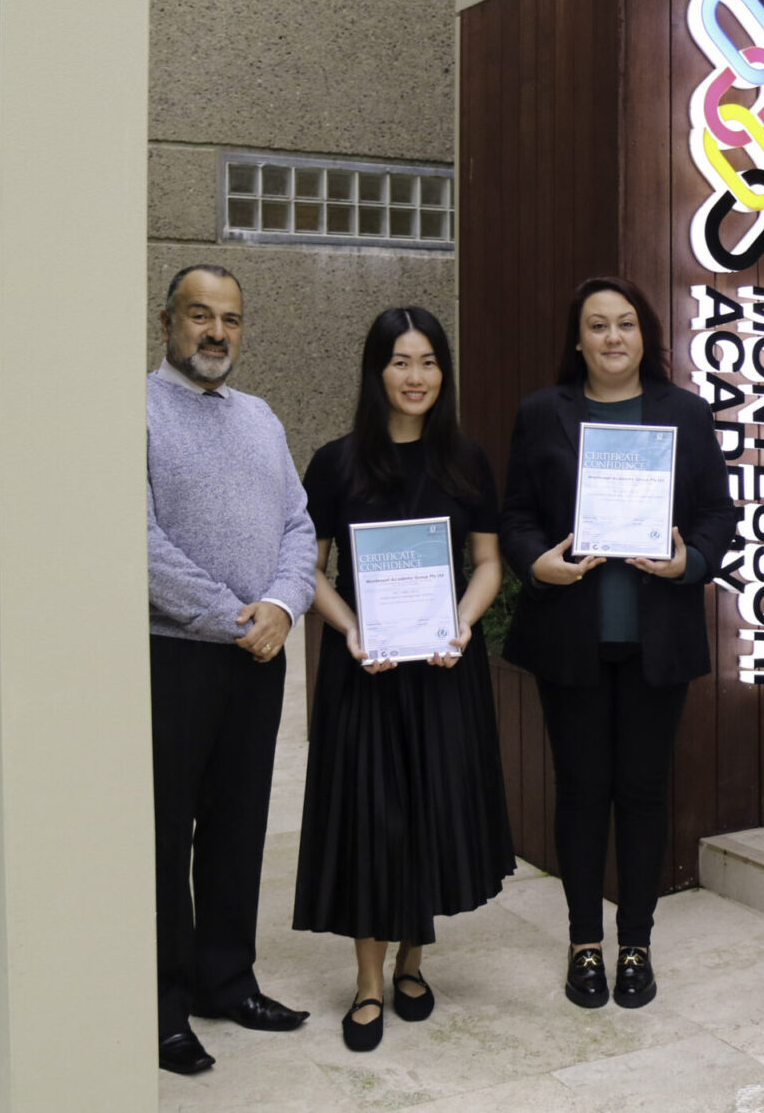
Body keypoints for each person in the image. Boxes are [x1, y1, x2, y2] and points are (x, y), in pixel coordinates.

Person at [498, 277, 737, 1010]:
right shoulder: (541, 413)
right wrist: (535, 562)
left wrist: (688, 562)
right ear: (578, 340)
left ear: (645, 335)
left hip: (655, 639)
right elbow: (516, 516)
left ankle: (636, 943)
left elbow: (717, 516)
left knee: (641, 792)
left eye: (625, 324)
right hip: (570, 636)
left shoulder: (685, 414)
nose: (612, 337)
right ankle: (583, 944)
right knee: (579, 793)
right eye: (597, 325)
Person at [291, 307, 516, 1053]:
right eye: (400, 362)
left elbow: (487, 562)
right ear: (376, 371)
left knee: (430, 813)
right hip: (366, 670)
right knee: (371, 820)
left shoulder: (466, 461)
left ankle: (413, 963)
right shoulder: (336, 463)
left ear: (443, 372)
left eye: (428, 362)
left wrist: (462, 623)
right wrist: (350, 628)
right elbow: (309, 569)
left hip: (444, 666)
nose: (415, 377)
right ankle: (367, 981)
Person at [146, 263, 319, 1077]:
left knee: (238, 826)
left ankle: (226, 979)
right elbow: (134, 540)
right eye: (200, 315)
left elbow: (298, 524)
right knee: (163, 834)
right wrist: (233, 618)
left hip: (259, 656)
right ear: (167, 322)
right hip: (174, 656)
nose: (217, 332)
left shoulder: (261, 418)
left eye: (231, 319)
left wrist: (282, 606)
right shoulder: (135, 411)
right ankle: (163, 1005)